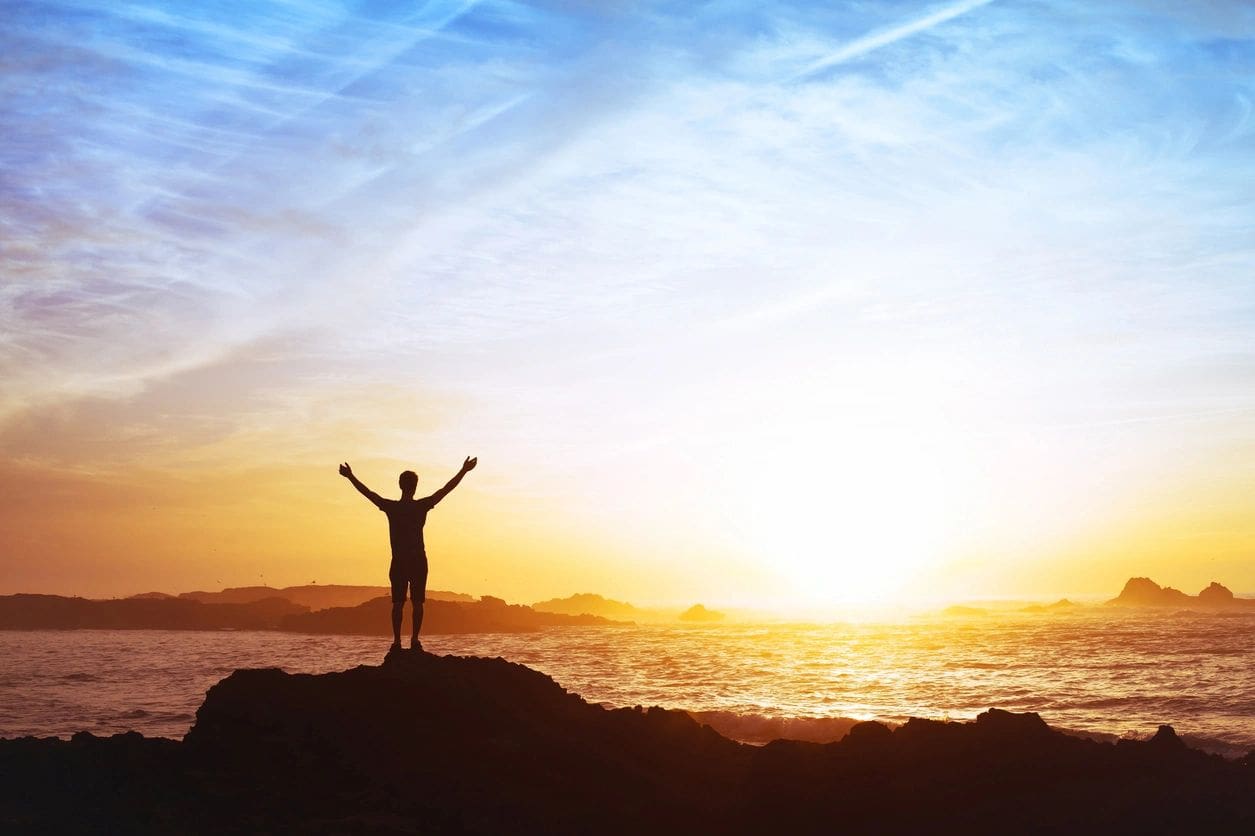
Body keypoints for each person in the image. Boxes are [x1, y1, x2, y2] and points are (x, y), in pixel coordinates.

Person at [338, 457, 477, 652]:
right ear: (415, 487)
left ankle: (397, 641)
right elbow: (445, 490)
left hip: (400, 561)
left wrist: (350, 476)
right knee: (417, 603)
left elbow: (368, 493)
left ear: (400, 486)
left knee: (398, 604)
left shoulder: (392, 508)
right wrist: (463, 471)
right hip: (418, 560)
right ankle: (414, 640)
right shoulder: (421, 506)